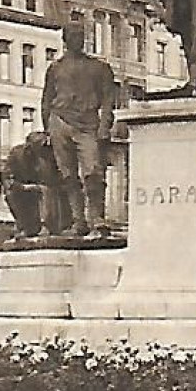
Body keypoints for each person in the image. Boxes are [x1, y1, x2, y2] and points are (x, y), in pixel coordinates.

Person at [41, 24, 117, 236]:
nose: (78, 39)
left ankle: (97, 218)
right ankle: (78, 220)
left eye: (81, 35)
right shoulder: (55, 68)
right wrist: (48, 128)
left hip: (87, 124)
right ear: (65, 39)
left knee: (93, 172)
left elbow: (109, 98)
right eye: (73, 35)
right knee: (68, 176)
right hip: (60, 121)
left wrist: (105, 125)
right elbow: (46, 100)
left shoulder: (99, 68)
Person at [1, 131, 68, 238]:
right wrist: (21, 186)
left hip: (47, 190)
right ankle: (24, 226)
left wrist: (40, 186)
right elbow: (7, 177)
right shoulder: (17, 154)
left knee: (46, 191)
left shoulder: (50, 155)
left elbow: (57, 177)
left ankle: (46, 225)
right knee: (11, 194)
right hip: (23, 189)